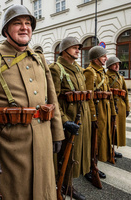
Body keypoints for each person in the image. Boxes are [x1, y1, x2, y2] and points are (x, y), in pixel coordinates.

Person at [0, 5, 64, 199]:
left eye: (28, 23)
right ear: (6, 30)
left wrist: (57, 132)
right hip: (10, 147)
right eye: (17, 23)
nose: (24, 27)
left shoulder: (39, 59)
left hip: (43, 140)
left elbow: (52, 98)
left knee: (43, 191)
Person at [49, 37, 91, 200]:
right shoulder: (56, 69)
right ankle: (62, 186)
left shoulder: (79, 69)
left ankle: (68, 184)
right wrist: (65, 121)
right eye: (74, 48)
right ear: (64, 50)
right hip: (67, 119)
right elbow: (53, 99)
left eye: (78, 48)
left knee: (75, 154)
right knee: (65, 155)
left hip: (80, 117)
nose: (78, 50)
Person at [83, 46, 116, 180]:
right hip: (97, 111)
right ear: (96, 59)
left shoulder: (102, 72)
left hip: (105, 111)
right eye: (103, 56)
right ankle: (90, 169)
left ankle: (95, 165)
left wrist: (113, 112)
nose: (106, 59)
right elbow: (89, 97)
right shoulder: (90, 72)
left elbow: (109, 93)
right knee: (93, 142)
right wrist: (93, 117)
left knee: (101, 140)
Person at [106, 56, 130, 157]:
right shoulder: (106, 76)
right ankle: (108, 150)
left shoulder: (120, 77)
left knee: (117, 129)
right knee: (110, 129)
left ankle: (113, 148)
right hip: (112, 105)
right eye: (114, 64)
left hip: (121, 106)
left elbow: (125, 93)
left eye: (118, 64)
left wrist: (128, 108)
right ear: (109, 66)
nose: (117, 66)